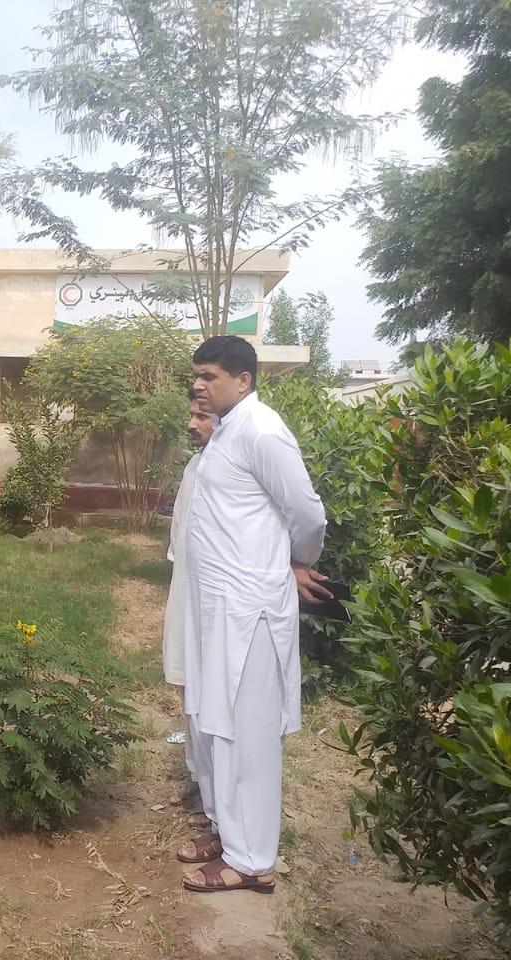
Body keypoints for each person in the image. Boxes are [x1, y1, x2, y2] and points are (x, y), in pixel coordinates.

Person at [177, 335, 330, 893]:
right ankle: (226, 829)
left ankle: (252, 860)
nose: (199, 384)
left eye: (211, 375)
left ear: (243, 380)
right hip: (217, 608)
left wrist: (296, 561)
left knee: (250, 736)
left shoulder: (263, 430)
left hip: (251, 610)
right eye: (196, 375)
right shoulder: (225, 433)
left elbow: (308, 512)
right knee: (215, 722)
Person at [162, 390, 215, 809]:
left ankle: (218, 794)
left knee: (214, 696)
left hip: (219, 608)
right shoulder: (195, 468)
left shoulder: (232, 471)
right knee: (189, 692)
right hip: (187, 595)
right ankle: (199, 779)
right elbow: (179, 542)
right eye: (191, 415)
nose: (191, 424)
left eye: (202, 416)